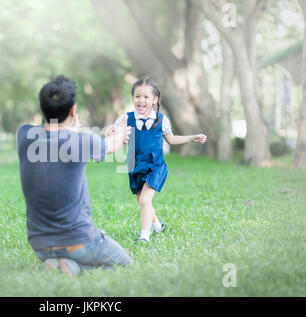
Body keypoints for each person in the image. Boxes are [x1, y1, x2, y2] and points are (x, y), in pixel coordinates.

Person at [17, 75, 133, 276]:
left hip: (39, 245)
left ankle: (60, 263)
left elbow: (55, 136)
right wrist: (121, 132)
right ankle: (74, 265)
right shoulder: (83, 141)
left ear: (42, 107)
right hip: (78, 243)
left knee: (70, 258)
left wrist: (72, 131)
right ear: (73, 110)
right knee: (126, 266)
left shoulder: (24, 136)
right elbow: (113, 144)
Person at [107, 76, 207, 243]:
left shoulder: (161, 120)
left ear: (155, 99)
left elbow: (172, 139)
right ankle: (158, 227)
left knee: (145, 200)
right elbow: (113, 137)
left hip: (155, 167)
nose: (141, 100)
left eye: (146, 97)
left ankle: (144, 237)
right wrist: (111, 131)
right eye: (137, 96)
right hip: (134, 166)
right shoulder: (126, 119)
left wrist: (192, 138)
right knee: (142, 202)